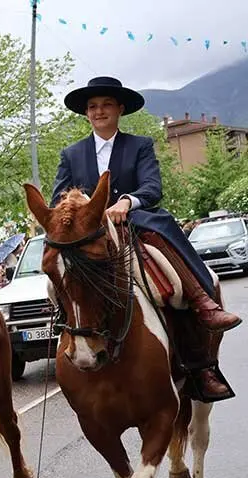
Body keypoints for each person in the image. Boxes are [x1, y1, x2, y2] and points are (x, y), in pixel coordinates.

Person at [52, 76, 241, 400]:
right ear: (86, 113)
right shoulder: (71, 153)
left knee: (166, 262)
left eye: (106, 105)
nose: (99, 111)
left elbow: (152, 187)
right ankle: (62, 326)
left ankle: (202, 319)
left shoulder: (139, 145)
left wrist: (126, 202)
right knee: (58, 270)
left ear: (119, 109)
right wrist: (81, 209)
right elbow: (59, 195)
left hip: (134, 222)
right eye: (93, 106)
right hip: (90, 234)